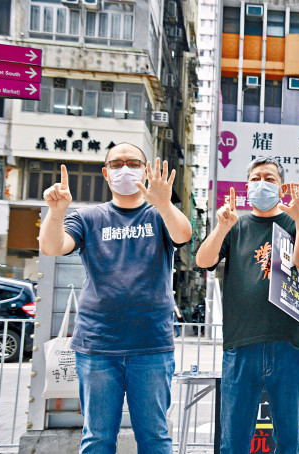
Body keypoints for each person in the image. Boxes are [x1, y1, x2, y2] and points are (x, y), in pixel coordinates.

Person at [38, 143, 192, 454]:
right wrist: (56, 212)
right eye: (117, 163)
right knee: (96, 438)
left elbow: (183, 235)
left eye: (133, 162)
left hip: (151, 346)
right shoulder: (88, 217)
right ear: (106, 174)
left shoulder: (159, 214)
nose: (125, 168)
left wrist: (164, 203)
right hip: (97, 346)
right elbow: (53, 247)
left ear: (145, 171)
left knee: (155, 438)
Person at [195, 157, 299, 454]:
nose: (262, 183)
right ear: (246, 184)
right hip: (241, 343)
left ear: (282, 186)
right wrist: (222, 227)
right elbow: (203, 260)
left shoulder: (292, 222)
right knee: (234, 441)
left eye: (270, 178)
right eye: (255, 178)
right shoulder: (235, 225)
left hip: (289, 343)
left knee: (289, 441)